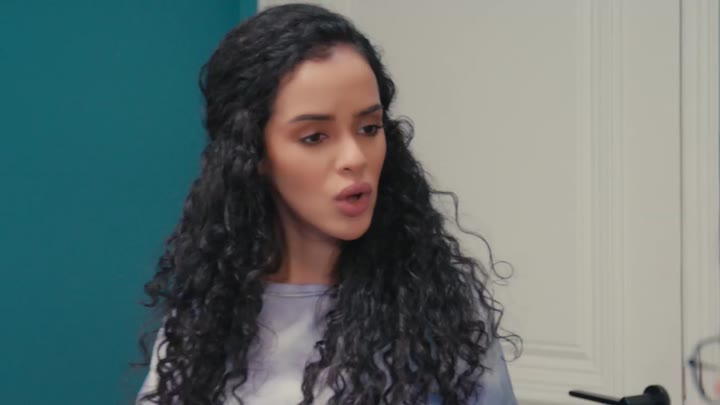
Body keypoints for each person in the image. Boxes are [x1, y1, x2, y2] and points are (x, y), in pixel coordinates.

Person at [135, 3, 519, 404]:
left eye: (369, 128)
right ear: (253, 154)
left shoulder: (443, 315)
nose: (355, 158)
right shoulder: (204, 319)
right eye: (315, 137)